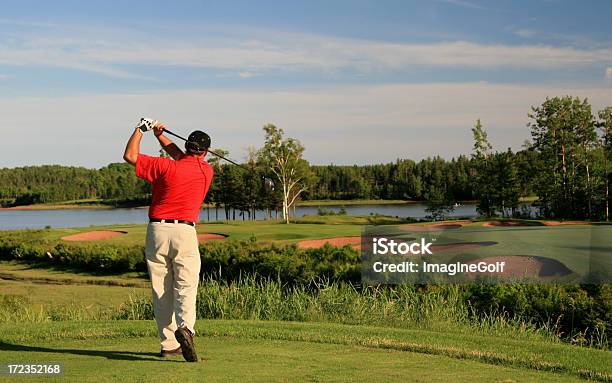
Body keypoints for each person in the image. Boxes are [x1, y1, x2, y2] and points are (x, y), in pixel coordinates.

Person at [123, 120, 214, 362]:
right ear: (205, 152)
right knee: (185, 285)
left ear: (187, 146)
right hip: (185, 232)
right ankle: (186, 328)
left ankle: (169, 344)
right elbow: (184, 157)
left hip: (157, 230)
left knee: (161, 289)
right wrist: (161, 137)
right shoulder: (206, 170)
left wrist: (141, 130)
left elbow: (130, 155)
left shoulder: (164, 167)